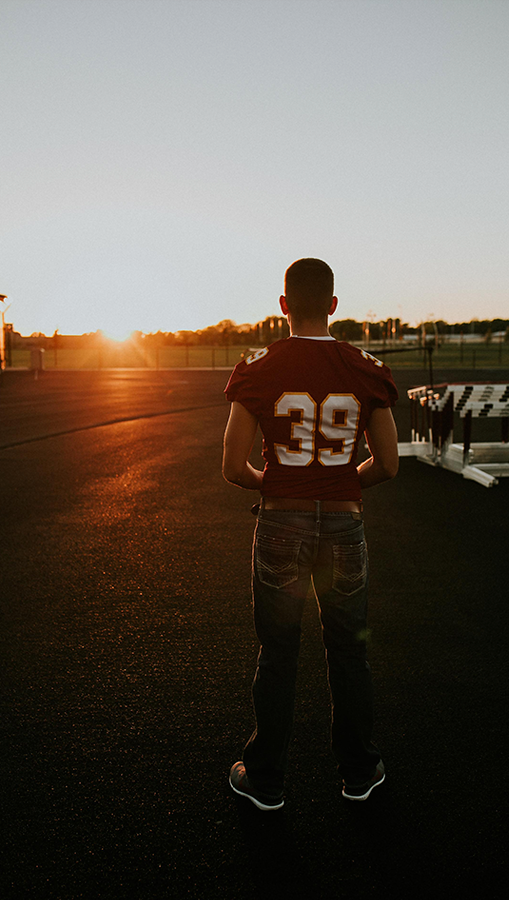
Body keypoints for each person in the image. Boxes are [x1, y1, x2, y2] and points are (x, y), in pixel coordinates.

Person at [221, 257, 399, 810]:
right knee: (349, 651)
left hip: (280, 520)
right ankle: (359, 771)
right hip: (345, 520)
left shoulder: (259, 367)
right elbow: (389, 464)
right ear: (334, 305)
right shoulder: (367, 367)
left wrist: (272, 484)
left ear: (282, 307)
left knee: (277, 653)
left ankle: (268, 779)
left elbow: (232, 465)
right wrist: (345, 483)